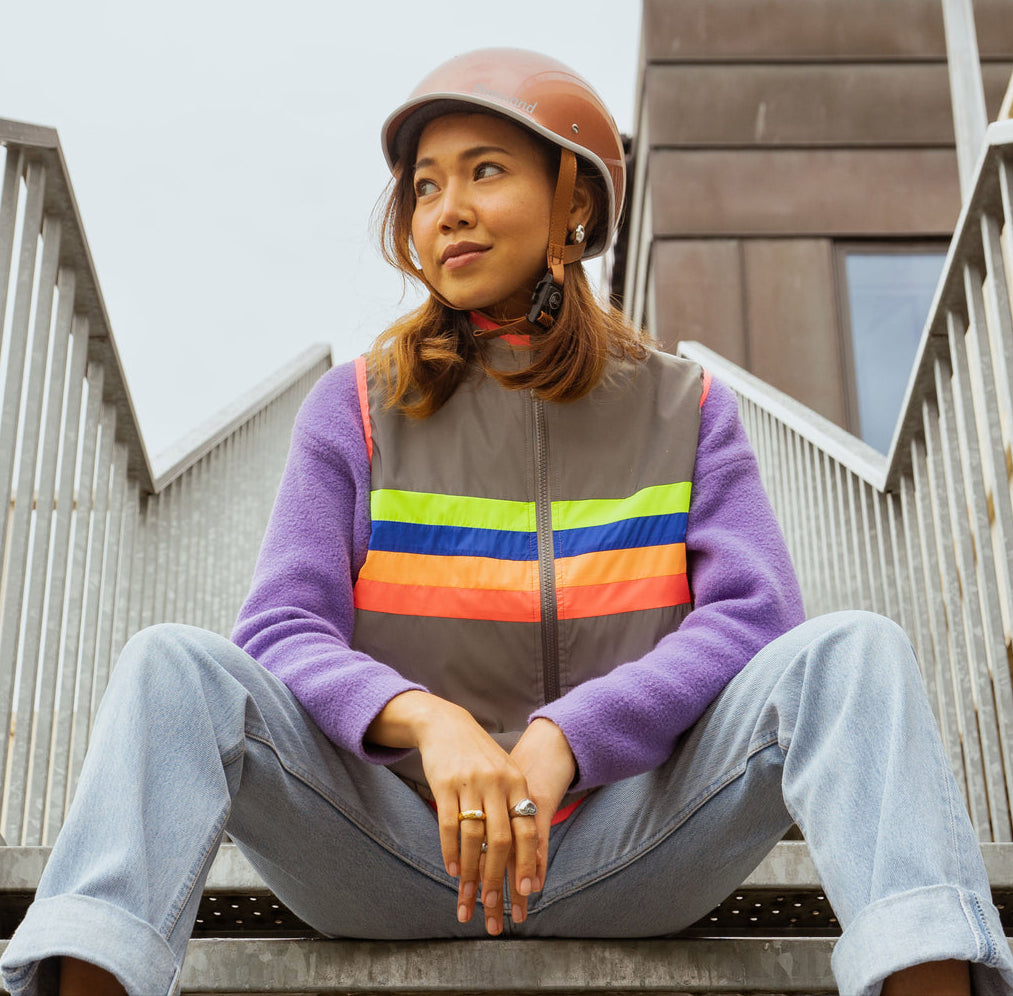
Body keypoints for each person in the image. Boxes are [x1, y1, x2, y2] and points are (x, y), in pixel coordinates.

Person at [2, 47, 1011, 996]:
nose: (447, 210)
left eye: (484, 171)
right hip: (390, 850)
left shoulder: (685, 407)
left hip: (630, 847)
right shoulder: (355, 405)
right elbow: (278, 633)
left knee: (853, 652)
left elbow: (752, 621)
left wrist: (567, 738)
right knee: (173, 665)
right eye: (426, 187)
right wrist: (428, 724)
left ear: (574, 199)